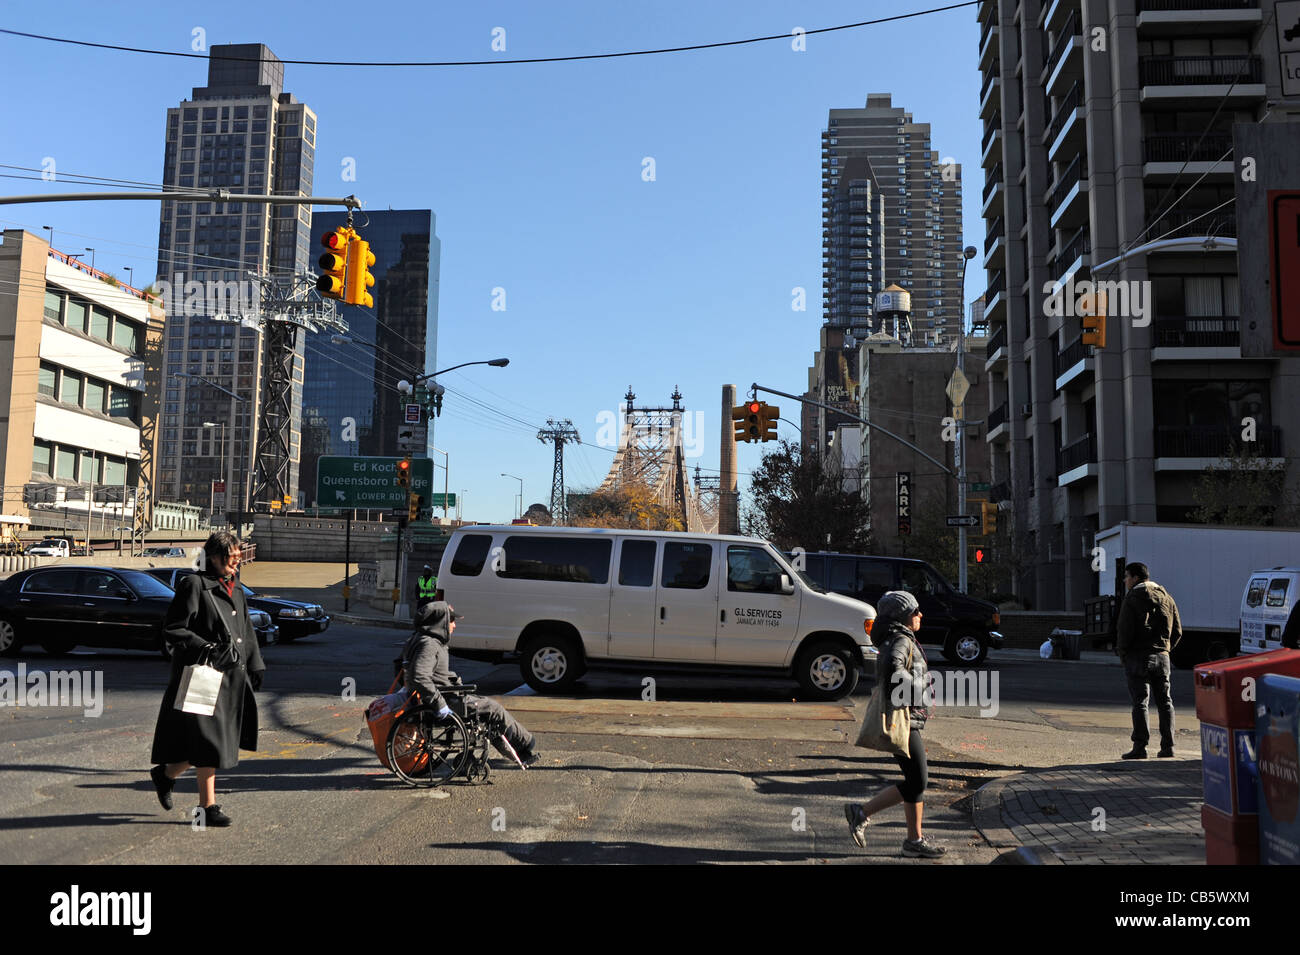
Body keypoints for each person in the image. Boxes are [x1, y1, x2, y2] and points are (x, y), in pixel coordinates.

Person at [148, 531, 265, 826]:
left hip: (231, 678)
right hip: (202, 676)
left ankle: (167, 774)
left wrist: (255, 664)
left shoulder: (236, 589)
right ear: (213, 556)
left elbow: (246, 632)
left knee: (215, 742)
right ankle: (207, 807)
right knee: (210, 742)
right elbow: (173, 629)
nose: (236, 564)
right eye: (231, 558)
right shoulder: (194, 585)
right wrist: (207, 648)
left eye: (239, 558)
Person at [844, 590, 945, 858]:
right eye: (915, 611)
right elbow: (893, 675)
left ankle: (914, 840)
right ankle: (862, 812)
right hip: (904, 720)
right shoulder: (901, 639)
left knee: (914, 780)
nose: (920, 615)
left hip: (906, 718)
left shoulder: (896, 637)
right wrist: (923, 683)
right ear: (902, 616)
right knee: (918, 781)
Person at [402, 601, 539, 766]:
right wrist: (439, 704)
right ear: (441, 622)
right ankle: (525, 744)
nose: (454, 626)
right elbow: (420, 676)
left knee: (487, 710)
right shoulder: (429, 644)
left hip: (445, 696)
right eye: (451, 621)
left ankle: (518, 750)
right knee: (494, 709)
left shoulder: (421, 640)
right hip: (446, 701)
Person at [1116, 561, 1182, 759]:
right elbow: (1177, 630)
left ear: (1135, 578)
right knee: (1165, 702)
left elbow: (1124, 630)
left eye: (1126, 577)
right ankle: (1168, 746)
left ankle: (1140, 746)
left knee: (1140, 702)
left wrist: (1124, 654)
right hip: (1162, 657)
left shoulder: (1132, 598)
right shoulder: (1166, 597)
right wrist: (1165, 650)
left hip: (1138, 656)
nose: (1125, 581)